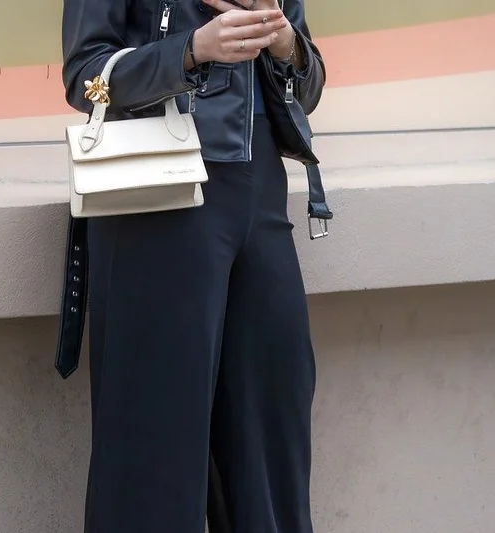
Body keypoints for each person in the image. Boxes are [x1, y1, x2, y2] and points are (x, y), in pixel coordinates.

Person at [59, 0, 329, 531]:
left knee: (273, 438)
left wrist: (282, 40)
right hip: (159, 195)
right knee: (153, 453)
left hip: (260, 194)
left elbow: (309, 87)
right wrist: (192, 50)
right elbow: (85, 76)